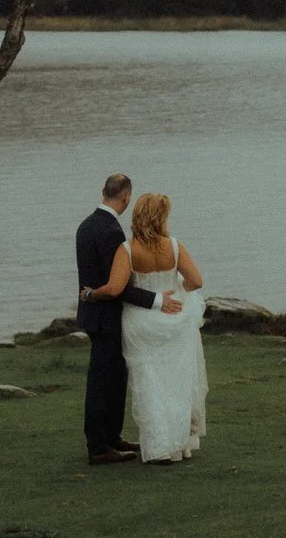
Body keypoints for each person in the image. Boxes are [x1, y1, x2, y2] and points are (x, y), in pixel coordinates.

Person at [84, 191, 208, 463]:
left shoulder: (127, 250)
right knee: (176, 381)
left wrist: (92, 294)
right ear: (161, 218)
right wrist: (177, 293)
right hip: (175, 320)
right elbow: (196, 281)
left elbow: (116, 288)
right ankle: (179, 445)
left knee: (150, 382)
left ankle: (159, 448)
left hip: (142, 322)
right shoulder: (175, 246)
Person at [74, 173, 182, 465]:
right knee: (102, 382)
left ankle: (111, 436)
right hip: (106, 317)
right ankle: (99, 446)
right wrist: (157, 300)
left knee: (114, 378)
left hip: (94, 314)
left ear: (104, 191)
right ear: (125, 198)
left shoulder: (86, 225)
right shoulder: (111, 232)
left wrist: (89, 295)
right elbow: (117, 286)